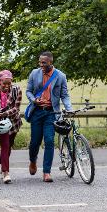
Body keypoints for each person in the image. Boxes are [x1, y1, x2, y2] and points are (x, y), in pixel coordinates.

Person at [26, 51, 72, 182]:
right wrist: (34, 100)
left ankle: (47, 172)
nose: (41, 65)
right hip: (37, 112)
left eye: (44, 63)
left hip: (52, 113)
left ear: (50, 62)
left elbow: (65, 95)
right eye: (40, 62)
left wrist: (69, 109)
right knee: (34, 142)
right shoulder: (34, 73)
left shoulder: (60, 76)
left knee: (49, 141)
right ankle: (33, 161)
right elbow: (28, 91)